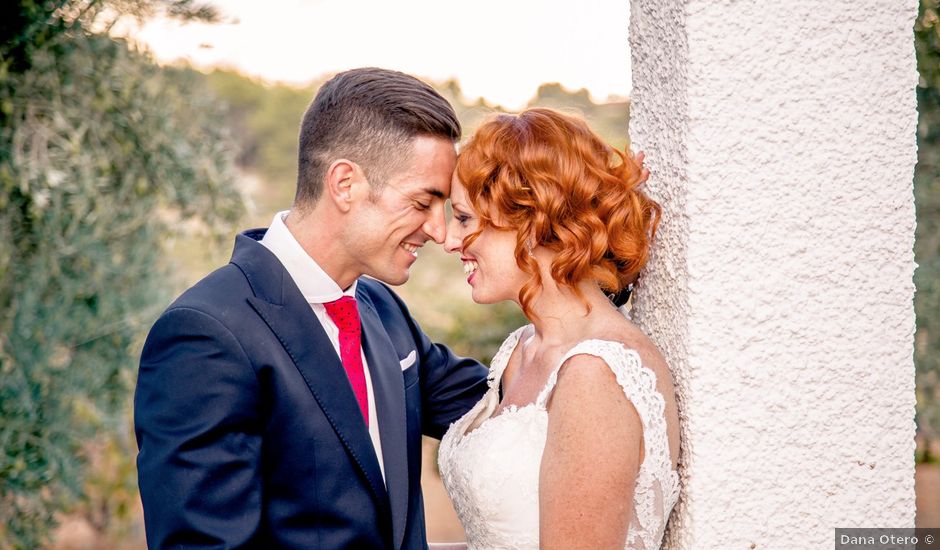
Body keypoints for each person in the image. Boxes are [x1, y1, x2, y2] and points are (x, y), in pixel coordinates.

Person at [134, 67, 489, 549]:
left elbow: (511, 401)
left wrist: (582, 243)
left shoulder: (383, 310)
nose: (439, 230)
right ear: (345, 184)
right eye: (423, 202)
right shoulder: (206, 334)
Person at [437, 108, 681, 549]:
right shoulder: (521, 348)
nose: (450, 240)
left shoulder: (596, 372)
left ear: (531, 220)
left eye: (464, 218)